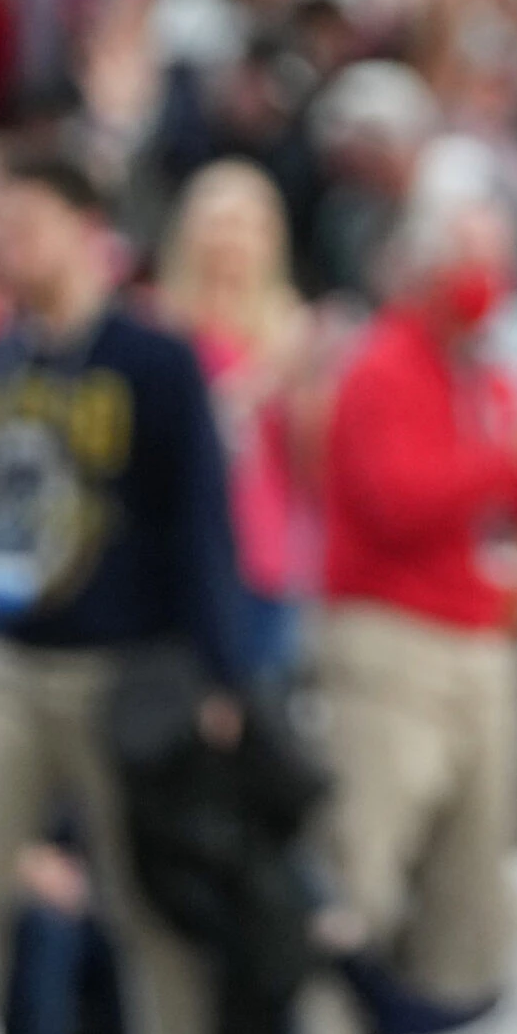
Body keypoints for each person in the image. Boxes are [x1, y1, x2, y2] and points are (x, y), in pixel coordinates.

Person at [0, 143, 248, 1034]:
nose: (8, 245)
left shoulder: (156, 358)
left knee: (147, 907)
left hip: (124, 667)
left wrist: (217, 674)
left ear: (87, 232)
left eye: (26, 225)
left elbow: (201, 521)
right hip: (4, 659)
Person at [313, 186, 517, 1033]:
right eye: (473, 258)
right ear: (426, 264)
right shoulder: (380, 365)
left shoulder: (496, 377)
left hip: (484, 645)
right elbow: (398, 503)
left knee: (469, 894)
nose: (489, 280)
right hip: (394, 643)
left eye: (499, 260)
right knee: (363, 875)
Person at [155, 158, 318, 679]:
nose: (234, 240)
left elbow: (311, 463)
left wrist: (314, 387)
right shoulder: (161, 327)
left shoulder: (292, 326)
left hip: (270, 563)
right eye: (221, 222)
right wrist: (269, 374)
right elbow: (187, 433)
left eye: (250, 225)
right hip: (185, 561)